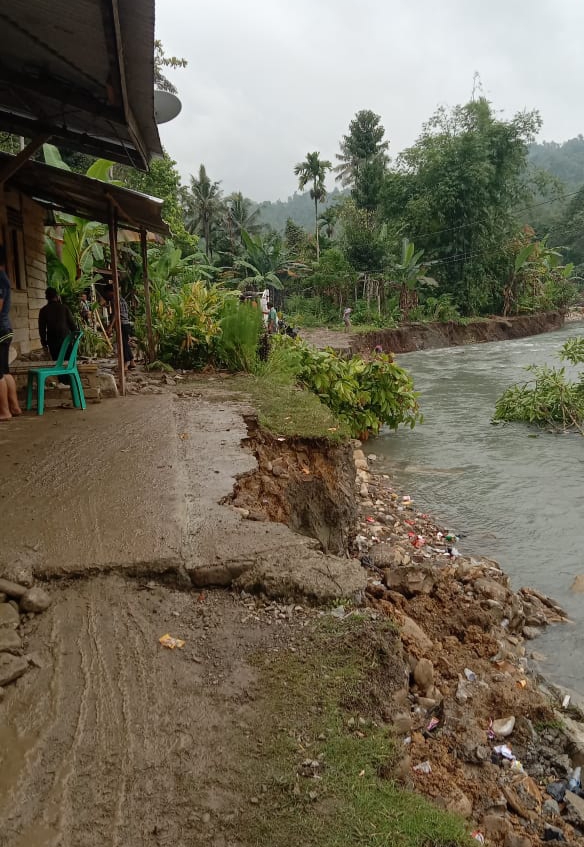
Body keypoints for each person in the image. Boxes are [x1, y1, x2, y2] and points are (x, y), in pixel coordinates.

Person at [0, 245, 22, 421]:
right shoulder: (4, 277)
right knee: (4, 370)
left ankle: (4, 412)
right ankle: (14, 408)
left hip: (0, 328)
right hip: (5, 328)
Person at [39, 288, 77, 361]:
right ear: (57, 296)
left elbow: (42, 329)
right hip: (66, 340)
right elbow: (72, 325)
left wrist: (44, 343)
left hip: (52, 341)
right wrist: (75, 338)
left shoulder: (43, 310)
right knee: (67, 361)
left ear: (46, 298)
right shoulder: (64, 308)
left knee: (56, 361)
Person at [103, 284, 135, 371]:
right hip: (126, 324)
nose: (106, 296)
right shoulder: (122, 299)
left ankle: (126, 362)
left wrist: (110, 327)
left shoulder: (115, 300)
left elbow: (116, 314)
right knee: (125, 343)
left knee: (122, 344)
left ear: (110, 292)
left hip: (121, 324)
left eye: (106, 293)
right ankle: (132, 361)